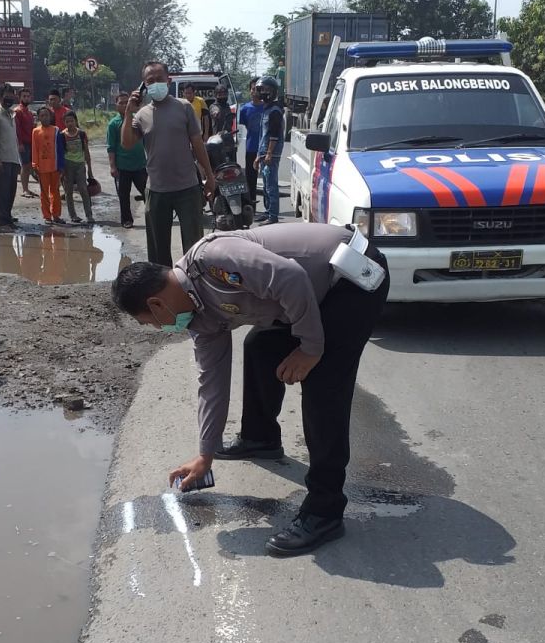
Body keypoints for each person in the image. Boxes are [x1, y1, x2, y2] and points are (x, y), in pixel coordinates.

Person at [110, 223, 390, 556]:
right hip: (308, 295)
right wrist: (206, 453)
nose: (159, 328)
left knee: (323, 385)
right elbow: (210, 380)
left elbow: (291, 278)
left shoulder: (213, 260)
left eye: (151, 322)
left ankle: (324, 511)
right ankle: (261, 438)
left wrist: (311, 348)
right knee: (260, 347)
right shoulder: (200, 316)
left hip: (351, 277)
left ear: (156, 304)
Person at [121, 60, 216, 267]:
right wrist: (128, 111)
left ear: (168, 80)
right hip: (156, 191)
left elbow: (198, 144)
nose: (155, 83)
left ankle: (193, 289)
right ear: (144, 86)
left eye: (159, 79)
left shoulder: (184, 108)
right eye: (150, 81)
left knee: (194, 249)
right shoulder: (141, 115)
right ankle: (164, 290)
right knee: (158, 253)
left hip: (188, 189)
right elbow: (127, 143)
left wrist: (209, 176)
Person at [106, 91, 148, 229]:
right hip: (122, 167)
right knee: (124, 196)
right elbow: (111, 147)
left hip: (140, 165)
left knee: (149, 193)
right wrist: (113, 167)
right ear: (116, 105)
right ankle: (126, 220)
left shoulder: (138, 119)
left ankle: (154, 216)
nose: (124, 105)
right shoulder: (113, 124)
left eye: (126, 102)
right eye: (121, 103)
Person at [0, 83, 21, 230]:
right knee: (2, 192)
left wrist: (18, 160)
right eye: (7, 96)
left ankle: (7, 218)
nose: (10, 99)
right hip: (2, 159)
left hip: (13, 158)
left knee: (11, 191)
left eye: (12, 96)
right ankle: (2, 222)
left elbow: (14, 139)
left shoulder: (12, 114)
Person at [253, 76, 285, 224]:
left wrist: (269, 153)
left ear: (272, 92)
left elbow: (273, 135)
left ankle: (273, 215)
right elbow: (263, 136)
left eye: (265, 90)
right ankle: (267, 212)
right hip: (264, 153)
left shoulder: (275, 111)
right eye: (260, 90)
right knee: (265, 185)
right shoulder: (266, 110)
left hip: (271, 154)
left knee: (271, 186)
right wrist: (258, 156)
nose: (261, 93)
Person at [31, 106, 66, 224]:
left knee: (55, 191)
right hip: (42, 167)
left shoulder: (56, 130)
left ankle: (56, 215)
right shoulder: (36, 131)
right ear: (38, 117)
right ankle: (47, 216)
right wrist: (34, 164)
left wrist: (61, 165)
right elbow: (34, 148)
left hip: (55, 166)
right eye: (42, 115)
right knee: (44, 192)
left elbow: (60, 149)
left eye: (46, 115)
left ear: (50, 116)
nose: (45, 117)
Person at [61, 110, 94, 225]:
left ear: (76, 121)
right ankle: (73, 215)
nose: (70, 123)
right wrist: (62, 169)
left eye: (72, 121)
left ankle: (89, 215)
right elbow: (60, 153)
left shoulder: (81, 134)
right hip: (67, 165)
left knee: (83, 190)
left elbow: (86, 152)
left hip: (80, 165)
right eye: (67, 121)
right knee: (68, 191)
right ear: (64, 123)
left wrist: (89, 169)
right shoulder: (62, 135)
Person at [238, 78, 262, 202]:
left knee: (268, 180)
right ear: (249, 91)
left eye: (257, 89)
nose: (255, 92)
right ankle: (251, 206)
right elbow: (239, 128)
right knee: (250, 179)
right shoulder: (244, 109)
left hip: (265, 149)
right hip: (251, 148)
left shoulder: (267, 108)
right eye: (253, 89)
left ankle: (269, 210)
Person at [16, 87, 37, 197]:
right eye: (24, 96)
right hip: (23, 143)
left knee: (29, 166)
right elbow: (17, 129)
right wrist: (19, 144)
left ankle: (27, 188)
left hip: (31, 142)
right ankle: (25, 190)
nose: (26, 98)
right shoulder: (17, 111)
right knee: (25, 166)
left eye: (28, 96)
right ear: (19, 97)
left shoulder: (29, 112)